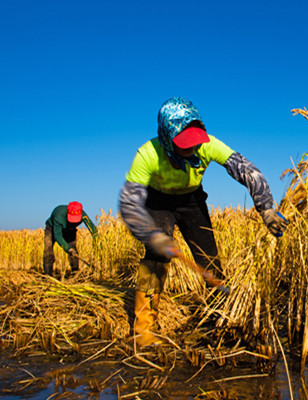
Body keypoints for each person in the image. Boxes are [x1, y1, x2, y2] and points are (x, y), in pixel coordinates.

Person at [119, 96, 288, 347]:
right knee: (157, 257)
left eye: (194, 143)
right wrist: (152, 235)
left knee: (208, 257)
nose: (191, 149)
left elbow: (246, 170)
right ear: (167, 137)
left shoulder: (207, 144)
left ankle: (220, 316)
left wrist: (266, 208)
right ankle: (144, 329)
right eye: (183, 144)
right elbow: (129, 205)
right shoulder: (148, 154)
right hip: (158, 202)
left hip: (191, 202)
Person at [42, 201, 98, 277]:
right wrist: (67, 248)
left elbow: (93, 229)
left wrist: (97, 243)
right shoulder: (58, 215)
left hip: (70, 229)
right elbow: (58, 235)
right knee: (48, 250)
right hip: (52, 229)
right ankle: (48, 276)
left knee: (74, 250)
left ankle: (75, 274)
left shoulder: (83, 215)